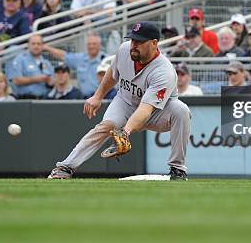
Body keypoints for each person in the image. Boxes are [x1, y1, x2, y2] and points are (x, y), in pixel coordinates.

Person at [47, 21, 192, 180]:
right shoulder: (124, 49)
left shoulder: (163, 71)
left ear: (154, 43)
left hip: (158, 112)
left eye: (139, 41)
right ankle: (65, 167)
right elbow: (112, 73)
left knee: (181, 110)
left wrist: (125, 132)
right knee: (106, 126)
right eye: (132, 40)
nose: (133, 45)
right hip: (126, 102)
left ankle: (177, 168)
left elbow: (146, 109)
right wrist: (98, 96)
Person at [43, 33, 107, 98]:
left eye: (94, 44)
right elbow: (64, 56)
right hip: (84, 99)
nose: (91, 46)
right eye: (89, 44)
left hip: (101, 98)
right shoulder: (80, 58)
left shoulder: (106, 60)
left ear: (99, 45)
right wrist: (47, 48)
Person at [7, 34, 54, 99]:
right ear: (28, 45)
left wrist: (50, 81)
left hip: (44, 100)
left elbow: (52, 81)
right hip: (26, 100)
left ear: (42, 46)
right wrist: (37, 79)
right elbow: (16, 80)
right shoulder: (20, 59)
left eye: (38, 44)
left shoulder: (46, 62)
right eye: (33, 44)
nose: (36, 46)